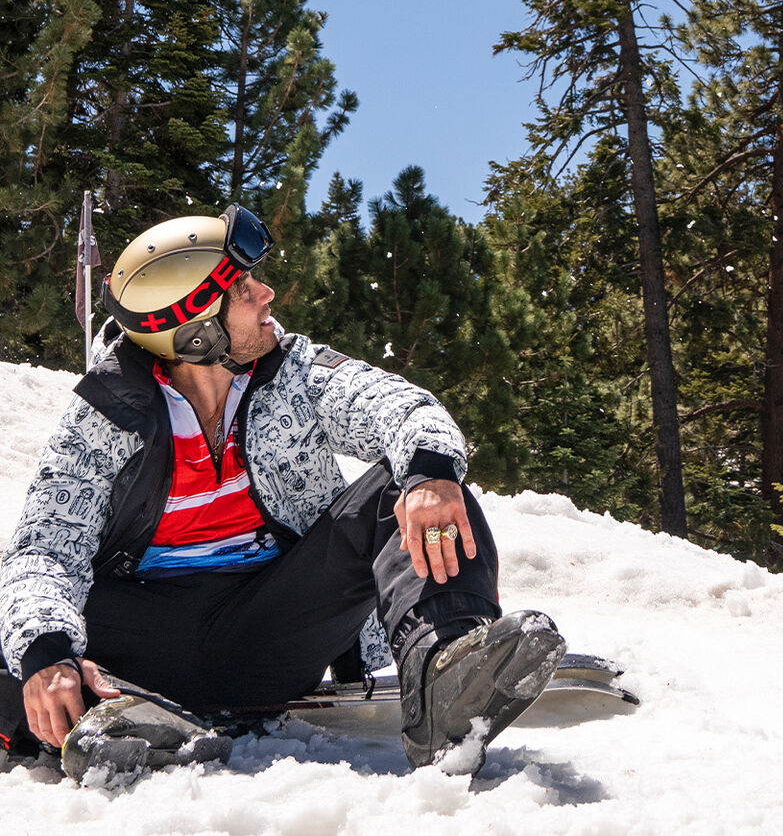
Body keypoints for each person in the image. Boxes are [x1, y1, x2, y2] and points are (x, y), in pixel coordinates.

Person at [0, 205, 565, 781]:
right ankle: (120, 721)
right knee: (21, 635)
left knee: (412, 483)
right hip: (137, 639)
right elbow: (46, 547)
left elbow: (396, 404)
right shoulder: (105, 413)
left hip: (267, 630)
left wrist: (431, 473)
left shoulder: (293, 371)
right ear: (196, 332)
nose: (267, 294)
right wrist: (46, 652)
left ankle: (445, 673)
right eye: (243, 290)